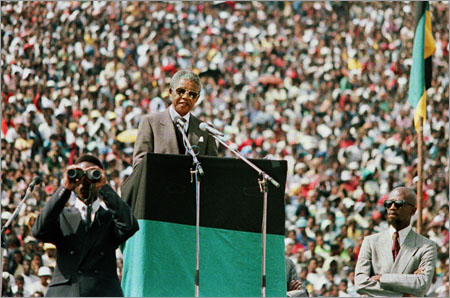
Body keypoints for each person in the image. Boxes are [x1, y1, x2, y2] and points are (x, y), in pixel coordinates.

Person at [32, 154, 139, 297]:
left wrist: (104, 188)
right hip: (66, 292)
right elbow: (39, 230)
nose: (84, 182)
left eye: (91, 175)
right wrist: (65, 189)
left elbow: (130, 225)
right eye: (79, 176)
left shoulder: (110, 218)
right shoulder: (62, 216)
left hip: (103, 291)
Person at [355, 187, 437, 296]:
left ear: (413, 211)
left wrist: (382, 278)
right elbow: (361, 284)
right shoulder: (370, 242)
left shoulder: (426, 246)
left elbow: (422, 284)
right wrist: (404, 293)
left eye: (398, 203)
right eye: (388, 203)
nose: (392, 207)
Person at [132, 70, 218, 168]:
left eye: (192, 94)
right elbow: (140, 165)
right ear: (170, 92)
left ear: (197, 99)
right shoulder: (150, 123)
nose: (185, 97)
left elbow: (213, 168)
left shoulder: (205, 130)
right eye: (181, 91)